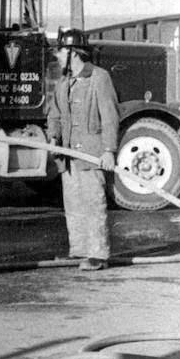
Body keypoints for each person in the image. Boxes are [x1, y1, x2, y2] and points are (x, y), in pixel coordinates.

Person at [45, 28, 120, 271]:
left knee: (93, 203)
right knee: (73, 204)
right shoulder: (63, 83)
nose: (56, 56)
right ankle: (78, 250)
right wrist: (53, 137)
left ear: (73, 53)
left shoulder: (99, 77)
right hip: (68, 156)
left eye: (60, 51)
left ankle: (98, 254)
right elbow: (55, 115)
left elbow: (110, 116)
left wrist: (109, 150)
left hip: (90, 153)